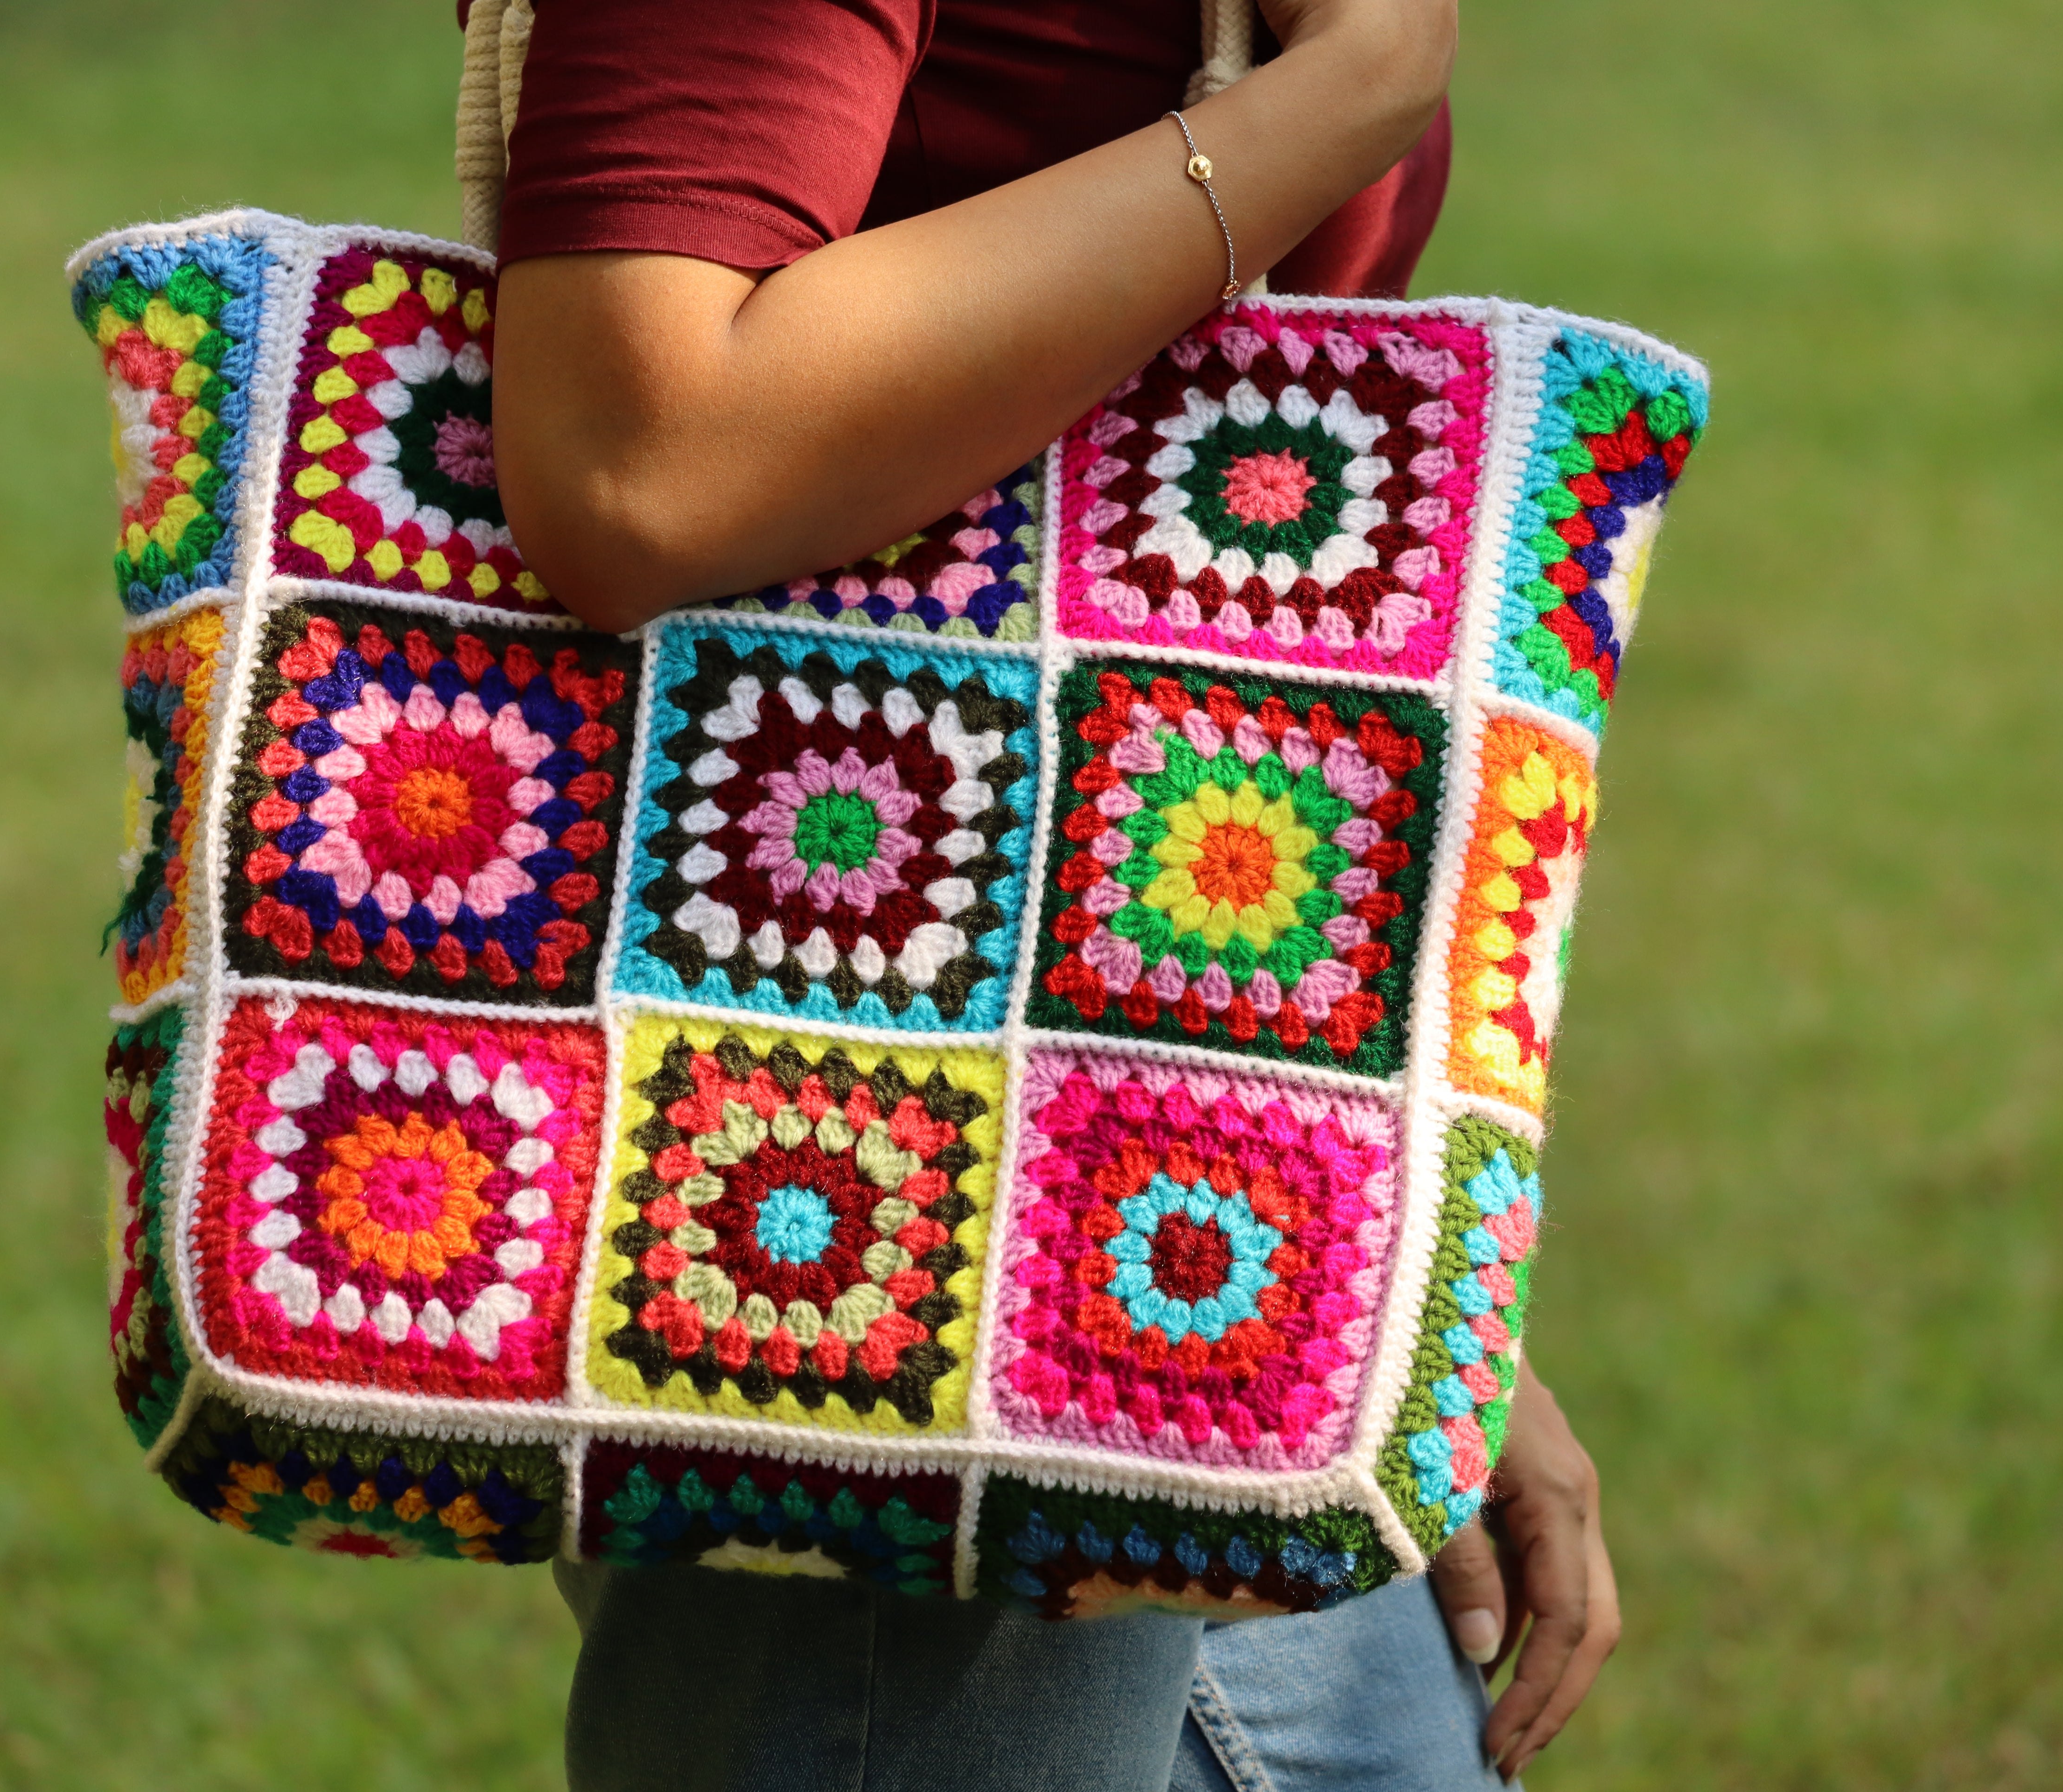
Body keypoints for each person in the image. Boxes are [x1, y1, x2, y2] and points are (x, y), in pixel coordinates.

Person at [478, 3, 1621, 1785]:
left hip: (1167, 1192)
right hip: (829, 1160)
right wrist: (1353, 87)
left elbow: (1191, 569)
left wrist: (1399, 1280)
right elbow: (641, 457)